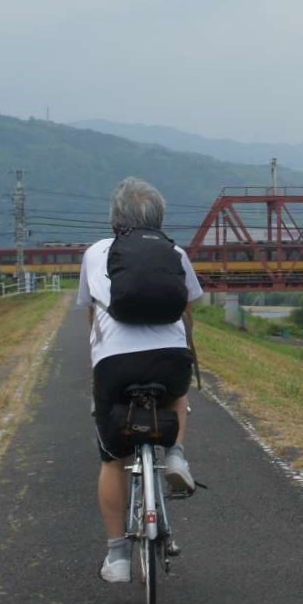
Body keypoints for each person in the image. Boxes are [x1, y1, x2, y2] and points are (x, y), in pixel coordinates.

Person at [75, 177, 204, 583]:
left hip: (114, 363)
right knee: (177, 395)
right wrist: (186, 353)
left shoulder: (95, 253)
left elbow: (92, 315)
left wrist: (97, 361)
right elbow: (187, 313)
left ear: (115, 220)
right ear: (159, 218)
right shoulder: (174, 253)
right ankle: (177, 456)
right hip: (170, 358)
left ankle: (117, 557)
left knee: (113, 459)